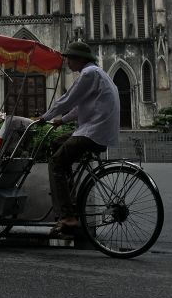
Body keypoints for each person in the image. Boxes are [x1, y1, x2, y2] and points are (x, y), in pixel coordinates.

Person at [38, 41, 119, 236]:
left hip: (94, 131)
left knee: (56, 163)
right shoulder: (97, 73)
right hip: (95, 129)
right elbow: (81, 106)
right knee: (57, 143)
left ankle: (68, 216)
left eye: (70, 58)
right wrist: (62, 120)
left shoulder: (88, 74)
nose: (67, 62)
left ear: (81, 59)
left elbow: (68, 99)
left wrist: (44, 118)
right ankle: (69, 199)